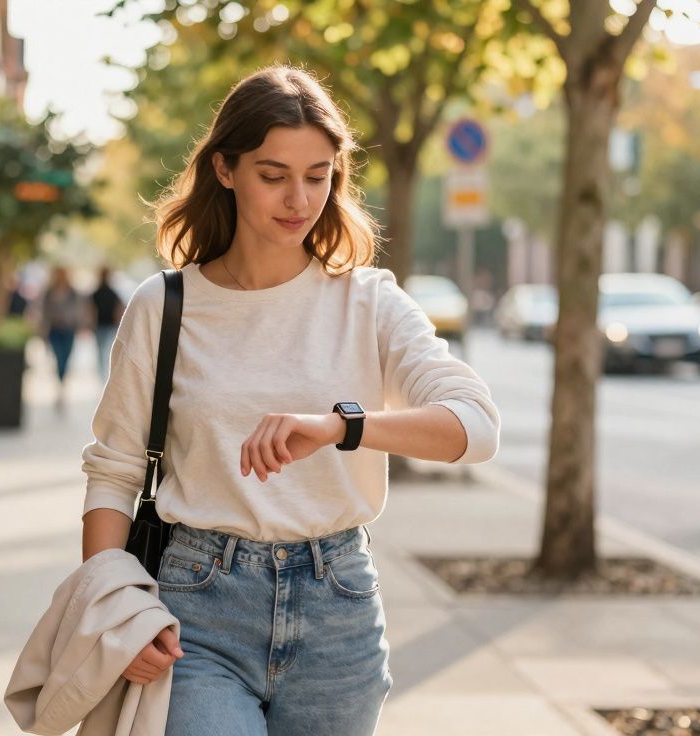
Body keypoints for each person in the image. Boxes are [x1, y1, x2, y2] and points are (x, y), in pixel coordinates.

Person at [79, 67, 500, 735]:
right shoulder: (163, 307)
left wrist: (340, 427)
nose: (298, 198)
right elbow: (114, 472)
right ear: (225, 168)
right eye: (273, 174)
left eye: (318, 174)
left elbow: (474, 427)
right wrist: (114, 606)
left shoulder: (370, 302)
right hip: (196, 608)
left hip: (337, 605)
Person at [40, 265, 85, 407]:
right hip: (54, 330)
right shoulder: (49, 292)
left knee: (66, 358)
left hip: (69, 330)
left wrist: (78, 324)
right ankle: (60, 384)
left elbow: (79, 309)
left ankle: (62, 384)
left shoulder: (73, 292)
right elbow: (44, 312)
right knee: (58, 357)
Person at [90, 265, 126, 382]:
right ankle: (104, 374)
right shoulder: (104, 292)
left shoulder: (103, 292)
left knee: (103, 351)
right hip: (104, 326)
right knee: (106, 351)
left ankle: (104, 374)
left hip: (104, 326)